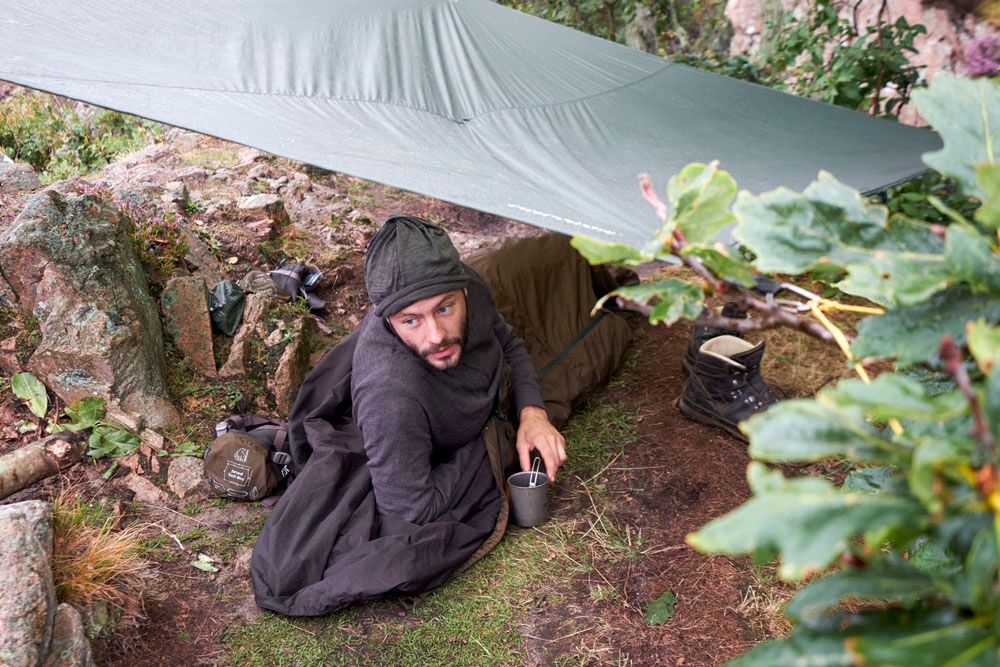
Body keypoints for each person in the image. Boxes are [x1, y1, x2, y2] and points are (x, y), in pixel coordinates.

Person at [251, 216, 571, 616]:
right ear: (387, 319)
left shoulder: (470, 286)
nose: (435, 336)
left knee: (565, 268)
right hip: (424, 428)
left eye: (444, 308)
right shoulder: (390, 394)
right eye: (411, 321)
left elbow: (506, 339)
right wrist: (486, 445)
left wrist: (533, 413)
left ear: (463, 289)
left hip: (488, 389)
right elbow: (412, 510)